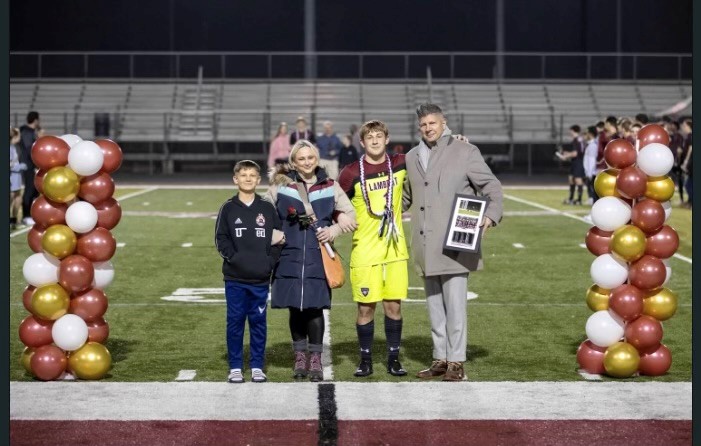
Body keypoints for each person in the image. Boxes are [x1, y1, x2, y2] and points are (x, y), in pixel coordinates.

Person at [403, 103, 503, 382]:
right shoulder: (412, 156)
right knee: (434, 304)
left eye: (432, 123)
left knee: (455, 304)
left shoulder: (465, 150)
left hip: (456, 237)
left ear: (443, 122)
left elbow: (491, 187)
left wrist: (491, 216)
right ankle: (440, 358)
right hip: (424, 241)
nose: (428, 128)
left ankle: (456, 361)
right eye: (423, 125)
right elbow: (408, 197)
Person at [265, 140, 356, 382]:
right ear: (294, 162)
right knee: (295, 307)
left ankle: (315, 359)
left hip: (318, 256)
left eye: (311, 158)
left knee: (315, 308)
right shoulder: (280, 185)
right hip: (289, 255)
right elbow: (263, 214)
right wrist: (276, 235)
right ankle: (299, 357)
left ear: (317, 159)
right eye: (301, 159)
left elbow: (352, 215)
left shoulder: (331, 185)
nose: (307, 162)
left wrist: (334, 230)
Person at [337, 120, 409, 378]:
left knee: (394, 307)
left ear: (387, 139)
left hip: (395, 250)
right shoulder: (350, 172)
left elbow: (431, 155)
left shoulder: (401, 163)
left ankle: (394, 358)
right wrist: (339, 217)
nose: (375, 141)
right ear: (362, 142)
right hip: (365, 251)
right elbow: (335, 202)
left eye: (380, 136)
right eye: (370, 137)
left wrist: (454, 140)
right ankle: (365, 359)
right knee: (365, 308)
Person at [215, 160, 284, 384]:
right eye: (243, 175)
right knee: (234, 322)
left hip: (260, 278)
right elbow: (220, 239)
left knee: (258, 322)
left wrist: (269, 263)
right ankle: (235, 366)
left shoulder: (266, 207)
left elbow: (278, 238)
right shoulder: (228, 208)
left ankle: (256, 365)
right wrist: (234, 259)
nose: (247, 178)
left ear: (258, 180)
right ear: (235, 179)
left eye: (252, 175)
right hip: (235, 278)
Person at [18, 111, 40, 226]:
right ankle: (26, 215)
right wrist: (35, 164)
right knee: (29, 190)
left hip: (32, 165)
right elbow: (29, 149)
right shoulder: (26, 131)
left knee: (35, 190)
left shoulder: (30, 131)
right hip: (28, 165)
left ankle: (32, 214)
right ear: (35, 120)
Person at [556, 124, 585, 205]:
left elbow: (576, 153)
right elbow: (575, 152)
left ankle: (579, 200)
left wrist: (566, 156)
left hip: (579, 161)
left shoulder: (577, 139)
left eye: (571, 131)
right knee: (571, 178)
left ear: (573, 130)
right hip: (575, 161)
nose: (570, 132)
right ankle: (571, 198)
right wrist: (567, 153)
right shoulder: (577, 139)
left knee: (578, 179)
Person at [9, 127, 27, 231]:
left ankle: (14, 220)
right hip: (12, 176)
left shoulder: (14, 147)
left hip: (17, 177)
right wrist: (19, 167)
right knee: (11, 199)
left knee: (18, 198)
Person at [667, 120, 686, 204]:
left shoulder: (679, 136)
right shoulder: (670, 136)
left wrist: (677, 160)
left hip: (676, 162)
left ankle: (681, 199)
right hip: (669, 160)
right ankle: (668, 196)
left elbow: (679, 150)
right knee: (669, 179)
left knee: (679, 180)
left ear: (676, 126)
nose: (671, 127)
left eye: (673, 125)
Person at [582, 126, 599, 207]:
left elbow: (592, 160)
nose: (586, 134)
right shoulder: (590, 144)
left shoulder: (593, 145)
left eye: (587, 133)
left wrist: (589, 173)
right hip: (590, 172)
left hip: (591, 172)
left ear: (591, 133)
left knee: (594, 192)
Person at [680, 118, 693, 208]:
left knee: (688, 184)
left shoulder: (690, 136)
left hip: (691, 163)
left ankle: (691, 202)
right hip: (690, 163)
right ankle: (689, 201)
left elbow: (690, 148)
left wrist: (686, 161)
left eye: (684, 126)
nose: (683, 128)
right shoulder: (688, 136)